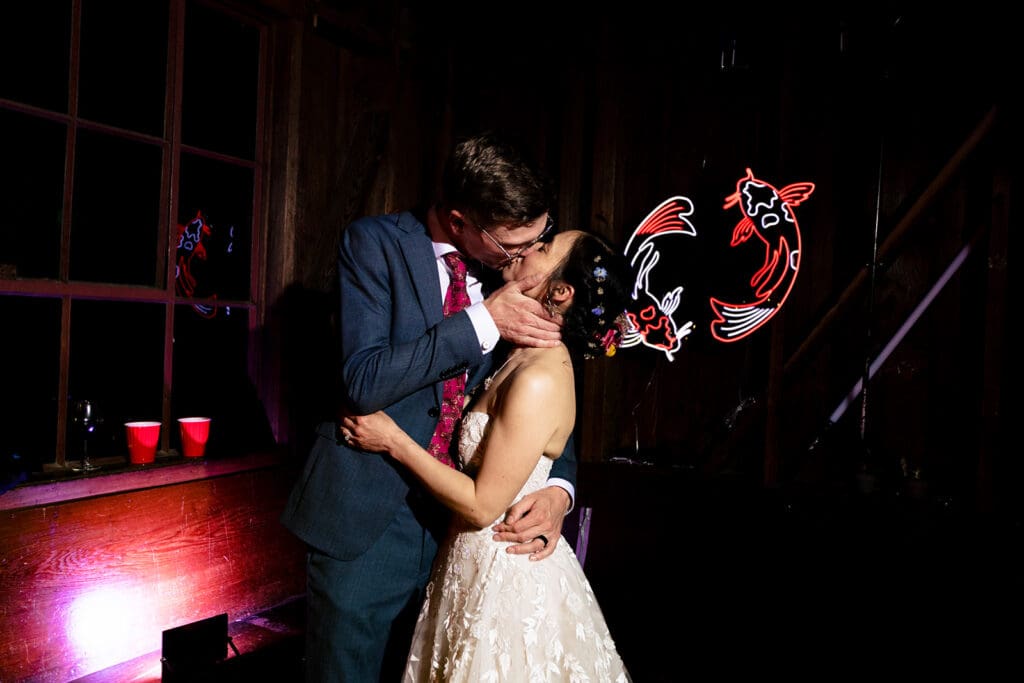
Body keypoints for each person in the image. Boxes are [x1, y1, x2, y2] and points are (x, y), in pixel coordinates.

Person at [280, 131, 580, 682]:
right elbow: (362, 380)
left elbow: (542, 389)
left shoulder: (506, 271)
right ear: (462, 220)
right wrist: (482, 321)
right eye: (513, 246)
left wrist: (560, 486)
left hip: (464, 536)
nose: (524, 258)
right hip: (368, 523)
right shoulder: (374, 245)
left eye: (536, 241)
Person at [342, 229, 633, 681]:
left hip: (504, 574)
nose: (530, 249)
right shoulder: (514, 350)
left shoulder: (540, 375)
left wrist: (394, 440)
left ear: (560, 291)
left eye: (544, 248)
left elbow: (482, 505)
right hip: (459, 562)